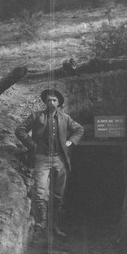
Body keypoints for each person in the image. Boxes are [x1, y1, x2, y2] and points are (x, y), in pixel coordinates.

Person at [15, 89, 84, 237]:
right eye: (48, 100)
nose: (51, 103)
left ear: (59, 103)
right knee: (40, 191)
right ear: (45, 102)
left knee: (58, 194)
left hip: (60, 159)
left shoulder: (65, 118)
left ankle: (55, 226)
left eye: (54, 100)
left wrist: (70, 142)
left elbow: (79, 129)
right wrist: (32, 145)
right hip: (42, 158)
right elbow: (20, 130)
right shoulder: (36, 116)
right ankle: (42, 222)